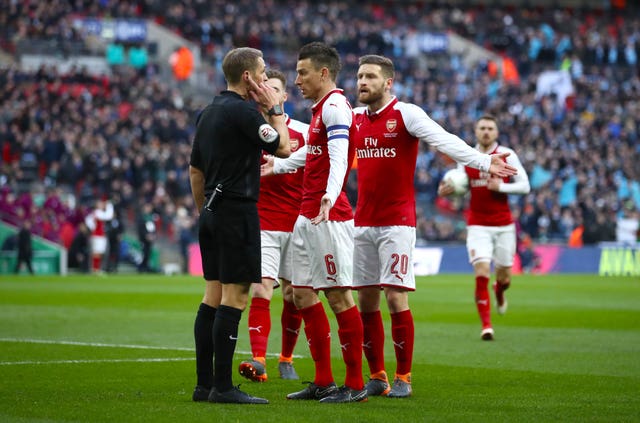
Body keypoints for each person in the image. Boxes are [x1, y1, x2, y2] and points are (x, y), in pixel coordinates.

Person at [351, 55, 519, 398]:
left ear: (388, 83)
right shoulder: (353, 119)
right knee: (366, 301)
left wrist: (486, 161)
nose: (362, 82)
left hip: (397, 223)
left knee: (396, 298)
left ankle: (404, 377)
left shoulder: (406, 114)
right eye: (359, 76)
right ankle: (377, 375)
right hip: (362, 221)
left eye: (370, 76)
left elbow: (446, 141)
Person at [262, 42, 367, 403]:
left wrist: (330, 194)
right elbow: (312, 152)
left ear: (324, 73)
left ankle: (355, 385)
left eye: (302, 72)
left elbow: (338, 158)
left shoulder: (336, 107)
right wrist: (278, 165)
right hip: (306, 216)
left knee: (339, 296)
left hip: (328, 216)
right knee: (301, 293)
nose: (296, 79)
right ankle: (323, 379)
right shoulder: (321, 110)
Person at [188, 46, 291, 405]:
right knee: (236, 297)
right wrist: (276, 111)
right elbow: (284, 148)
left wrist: (205, 211)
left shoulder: (209, 111)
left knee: (212, 296)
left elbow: (195, 170)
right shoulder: (245, 112)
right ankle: (223, 387)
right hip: (237, 211)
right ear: (247, 76)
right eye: (262, 72)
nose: (265, 79)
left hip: (212, 212)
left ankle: (204, 386)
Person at [238, 69, 307, 383]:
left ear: (284, 96)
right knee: (261, 288)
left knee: (293, 294)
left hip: (296, 225)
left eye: (274, 88)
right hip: (262, 223)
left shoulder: (305, 133)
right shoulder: (247, 131)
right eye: (262, 88)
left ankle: (287, 358)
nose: (267, 93)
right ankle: (258, 360)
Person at [438, 115, 530, 341]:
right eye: (482, 128)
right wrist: (448, 193)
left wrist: (501, 188)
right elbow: (462, 187)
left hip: (504, 226)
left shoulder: (508, 155)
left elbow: (525, 186)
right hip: (477, 225)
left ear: (496, 133)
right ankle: (486, 326)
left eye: (490, 128)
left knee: (505, 278)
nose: (486, 132)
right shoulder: (468, 157)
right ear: (476, 131)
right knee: (481, 273)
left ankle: (499, 290)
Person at [85, 198, 114, 273]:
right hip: (97, 235)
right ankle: (95, 269)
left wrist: (92, 226)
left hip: (100, 235)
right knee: (96, 252)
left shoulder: (96, 213)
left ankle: (96, 268)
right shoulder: (98, 212)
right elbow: (108, 216)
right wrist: (109, 206)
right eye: (100, 204)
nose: (102, 205)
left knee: (99, 252)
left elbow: (88, 219)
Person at [136, 203, 156, 273]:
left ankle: (146, 267)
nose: (149, 209)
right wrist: (146, 236)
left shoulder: (151, 217)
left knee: (148, 253)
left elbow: (153, 228)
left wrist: (153, 235)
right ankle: (141, 268)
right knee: (143, 253)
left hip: (150, 240)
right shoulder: (141, 217)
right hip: (143, 239)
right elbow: (140, 228)